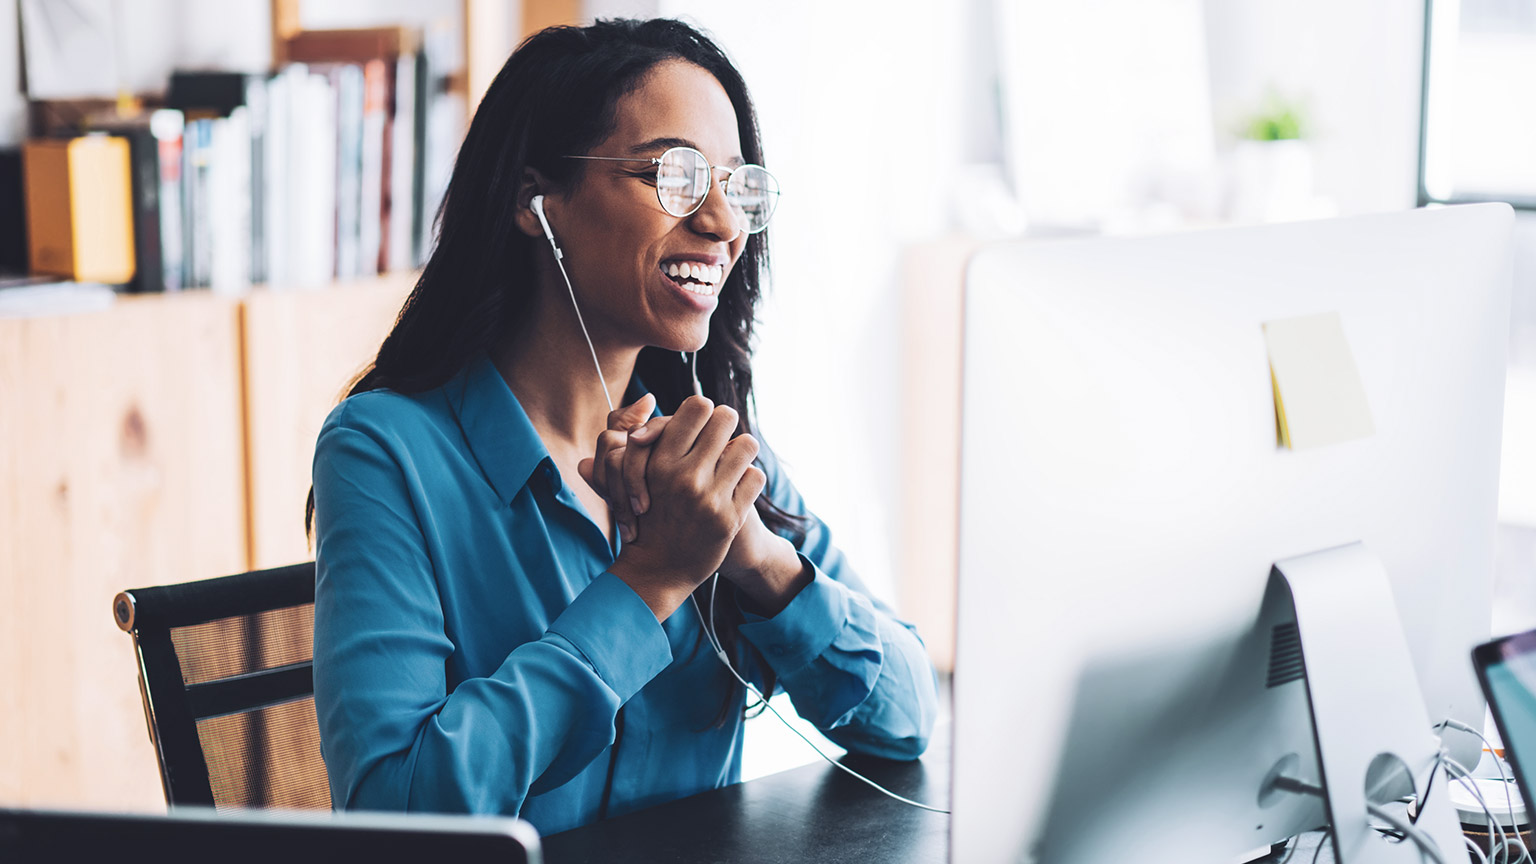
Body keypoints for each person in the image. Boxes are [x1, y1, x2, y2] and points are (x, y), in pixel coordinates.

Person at [309, 17, 938, 836]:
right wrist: (650, 583)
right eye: (673, 176)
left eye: (735, 184)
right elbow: (398, 810)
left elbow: (908, 713)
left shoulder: (710, 445)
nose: (721, 223)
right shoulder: (384, 450)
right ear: (537, 203)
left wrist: (757, 560)